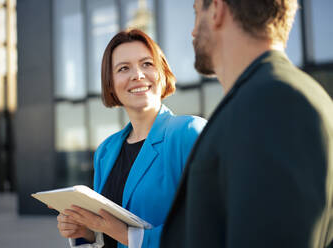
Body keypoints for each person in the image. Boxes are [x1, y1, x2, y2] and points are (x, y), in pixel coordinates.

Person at [160, 0, 333, 247]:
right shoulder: (267, 97)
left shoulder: (275, 101)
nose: (193, 30)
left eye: (197, 13)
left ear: (217, 10)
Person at [55, 29, 206, 248]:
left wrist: (127, 235)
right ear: (111, 84)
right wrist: (88, 232)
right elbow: (106, 234)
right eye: (123, 68)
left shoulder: (189, 133)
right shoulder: (106, 151)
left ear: (162, 73)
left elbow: (208, 225)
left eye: (147, 64)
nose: (137, 75)